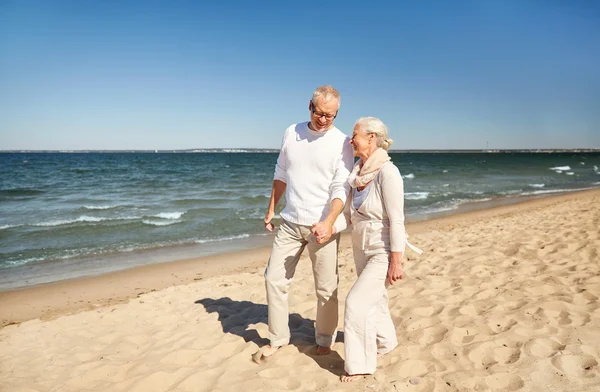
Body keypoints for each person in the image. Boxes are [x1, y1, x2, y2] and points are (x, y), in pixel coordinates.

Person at [253, 85, 354, 362]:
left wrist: (329, 222)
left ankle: (324, 338)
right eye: (319, 113)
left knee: (325, 288)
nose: (323, 120)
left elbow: (340, 189)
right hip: (290, 223)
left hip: (322, 227)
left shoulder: (342, 142)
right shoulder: (291, 132)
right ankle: (278, 338)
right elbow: (281, 173)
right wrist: (271, 209)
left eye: (330, 116)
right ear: (310, 106)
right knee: (273, 278)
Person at [332, 117, 422, 382]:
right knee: (376, 299)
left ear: (371, 138)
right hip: (360, 245)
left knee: (356, 302)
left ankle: (359, 365)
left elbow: (397, 220)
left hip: (382, 248)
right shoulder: (358, 173)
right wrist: (327, 228)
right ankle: (386, 343)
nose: (351, 140)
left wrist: (397, 261)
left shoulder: (387, 172)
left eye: (355, 135)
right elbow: (350, 217)